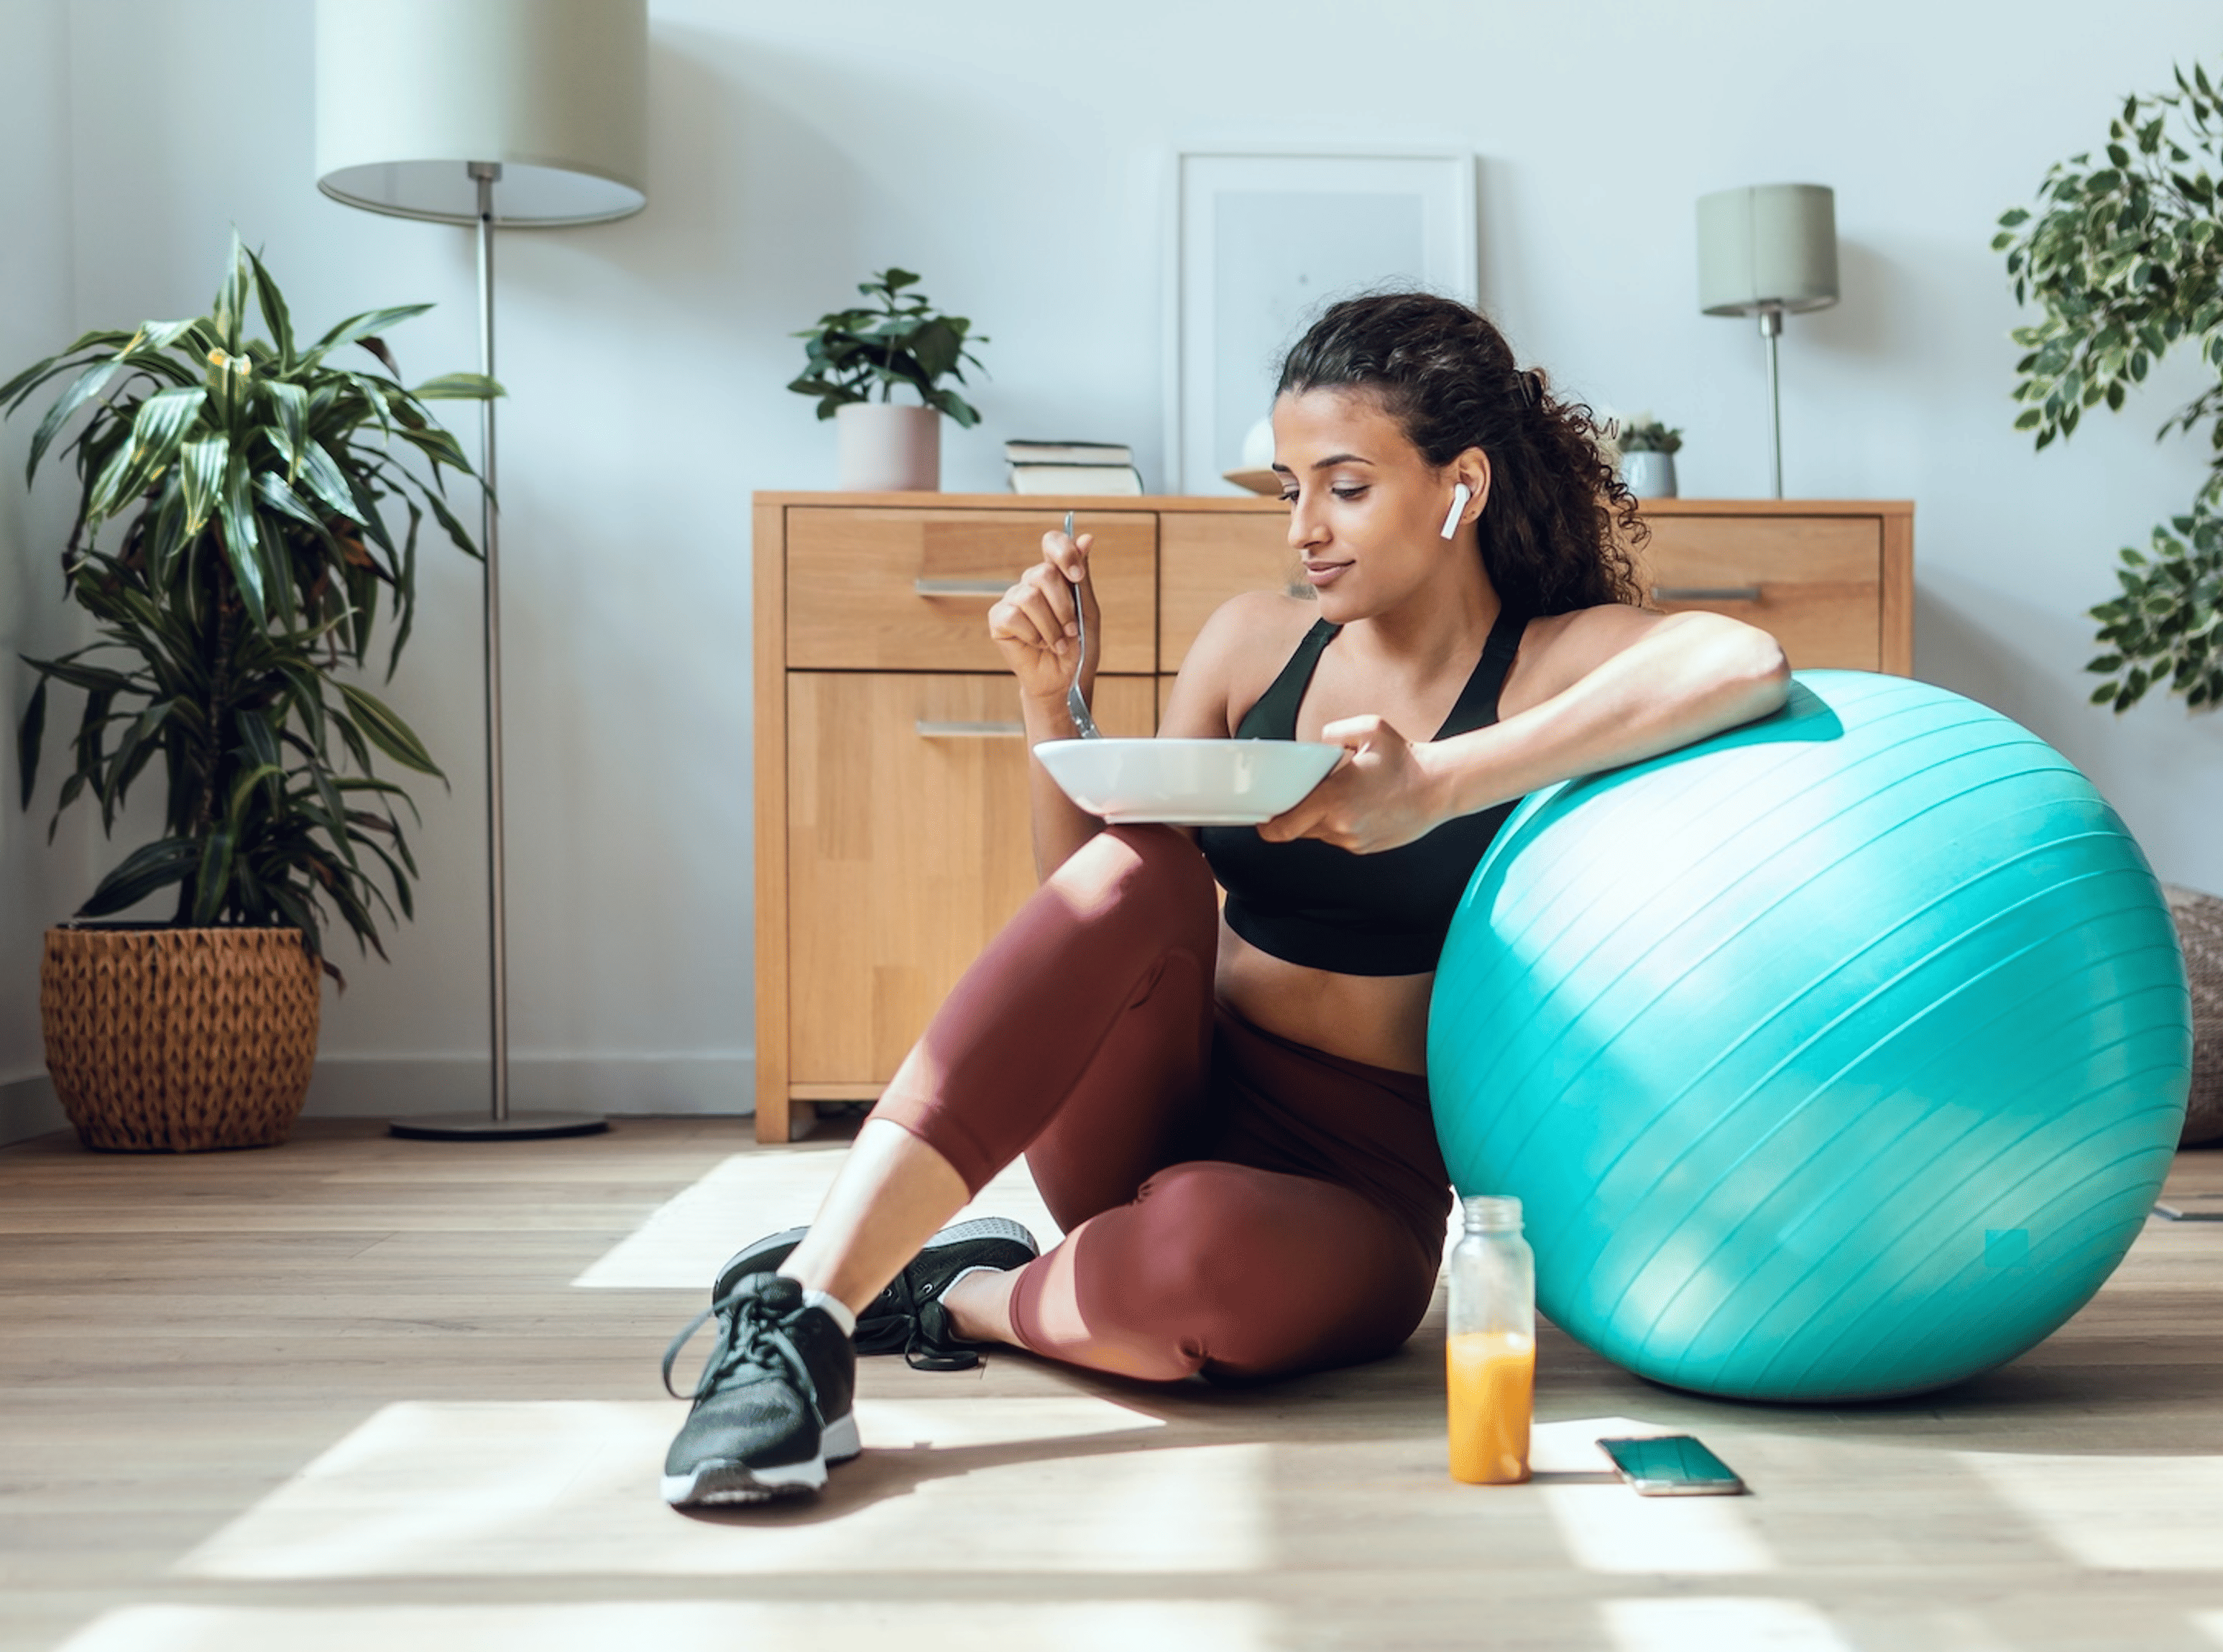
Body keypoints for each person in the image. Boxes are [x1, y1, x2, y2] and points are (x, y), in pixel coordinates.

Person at [662, 291, 1791, 1508]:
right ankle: (807, 1316)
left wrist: (1436, 787)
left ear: (1460, 485)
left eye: (1345, 486)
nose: (1303, 527)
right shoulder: (1254, 642)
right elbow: (1088, 909)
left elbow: (1744, 661)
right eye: (1290, 485)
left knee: (1197, 1257)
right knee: (1144, 863)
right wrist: (1054, 702)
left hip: (1360, 1181)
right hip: (1160, 1092)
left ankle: (957, 1292)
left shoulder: (1548, 662)